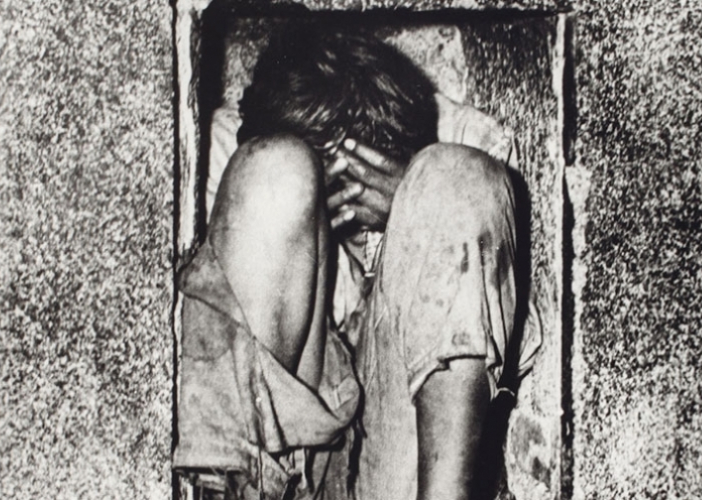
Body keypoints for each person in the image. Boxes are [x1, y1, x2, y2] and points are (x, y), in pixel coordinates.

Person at [173, 25, 540, 500]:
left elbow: (511, 344)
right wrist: (305, 223)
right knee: (272, 174)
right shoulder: (222, 148)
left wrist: (412, 213)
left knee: (454, 180)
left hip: (404, 469)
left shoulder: (464, 142)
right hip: (282, 465)